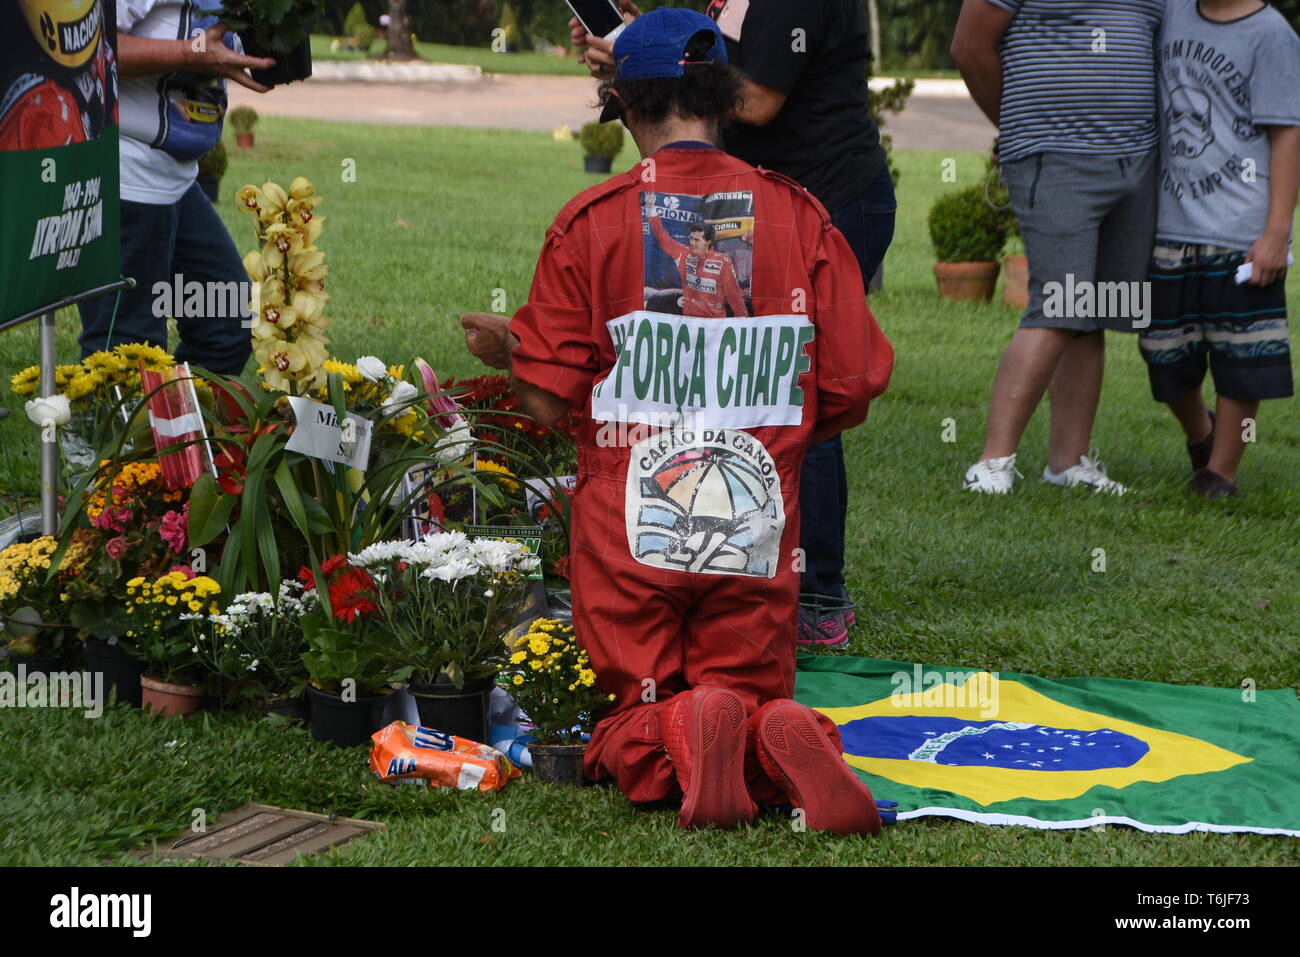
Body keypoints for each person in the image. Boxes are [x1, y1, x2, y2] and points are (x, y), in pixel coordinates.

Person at [461, 9, 893, 833]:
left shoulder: (589, 222)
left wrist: (517, 355)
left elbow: (550, 397)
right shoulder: (801, 216)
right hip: (755, 527)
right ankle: (769, 727)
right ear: (726, 98)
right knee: (754, 691)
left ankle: (670, 725)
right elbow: (851, 384)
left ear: (625, 106)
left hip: (629, 529)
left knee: (623, 715)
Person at [575, 0, 895, 649]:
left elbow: (753, 99)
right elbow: (715, 56)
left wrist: (641, 59)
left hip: (824, 196)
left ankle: (816, 591)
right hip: (744, 197)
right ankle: (709, 555)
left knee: (792, 377)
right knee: (726, 377)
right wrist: (645, 37)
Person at [952, 0, 1164, 495]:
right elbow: (969, 47)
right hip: (1054, 155)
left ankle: (1068, 463)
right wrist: (1019, 125)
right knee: (1060, 307)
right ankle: (991, 463)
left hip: (1137, 161)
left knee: (1094, 311)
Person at [1137, 0, 1298, 498]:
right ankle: (1201, 436)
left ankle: (1220, 474)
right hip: (1169, 225)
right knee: (1162, 349)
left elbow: (1288, 134)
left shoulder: (1272, 34)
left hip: (1240, 231)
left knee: (1242, 355)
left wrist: (1276, 233)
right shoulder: (1172, 13)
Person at [77, 0, 274, 375]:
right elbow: (86, 47)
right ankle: (96, 432)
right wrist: (191, 54)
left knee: (225, 322)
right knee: (128, 349)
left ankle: (177, 428)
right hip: (123, 173)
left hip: (175, 180)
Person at [647, 204, 748, 318]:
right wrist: (650, 208)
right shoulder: (683, 253)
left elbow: (734, 295)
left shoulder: (723, 262)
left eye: (697, 240)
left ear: (709, 241)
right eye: (691, 238)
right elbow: (662, 237)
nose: (692, 243)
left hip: (714, 324)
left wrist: (743, 319)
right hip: (689, 321)